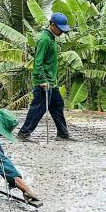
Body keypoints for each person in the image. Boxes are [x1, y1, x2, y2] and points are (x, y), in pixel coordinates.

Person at [17, 12, 73, 141]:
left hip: (52, 81)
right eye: (60, 29)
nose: (62, 32)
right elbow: (38, 62)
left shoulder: (51, 38)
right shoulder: (44, 39)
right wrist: (42, 80)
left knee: (57, 106)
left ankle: (62, 134)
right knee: (39, 108)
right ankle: (24, 133)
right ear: (52, 25)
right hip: (44, 81)